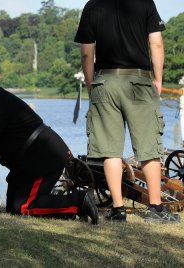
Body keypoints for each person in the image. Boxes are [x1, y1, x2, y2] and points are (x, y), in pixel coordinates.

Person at [0, 67, 98, 224]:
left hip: (42, 157)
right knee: (13, 209)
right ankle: (65, 211)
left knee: (24, 208)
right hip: (28, 161)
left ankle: (79, 201)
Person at [74, 0, 180, 223]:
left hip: (106, 81)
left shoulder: (92, 6)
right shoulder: (145, 3)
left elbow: (86, 53)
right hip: (139, 81)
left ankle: (118, 209)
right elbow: (157, 44)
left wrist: (93, 84)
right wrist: (158, 80)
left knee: (110, 150)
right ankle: (156, 209)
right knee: (148, 148)